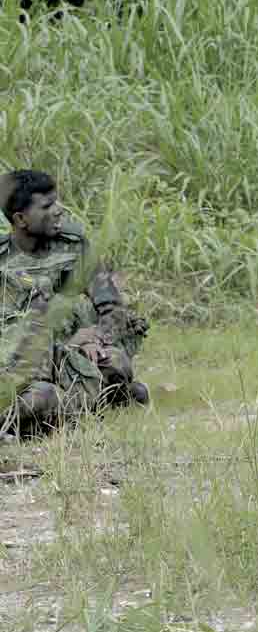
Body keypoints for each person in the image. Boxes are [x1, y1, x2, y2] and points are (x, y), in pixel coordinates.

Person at [0, 170, 150, 438]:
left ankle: (87, 403)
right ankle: (82, 406)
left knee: (116, 364)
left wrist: (96, 337)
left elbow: (113, 309)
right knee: (41, 397)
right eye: (47, 206)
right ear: (20, 219)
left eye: (56, 202)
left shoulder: (73, 247)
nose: (58, 210)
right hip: (22, 362)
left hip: (74, 355)